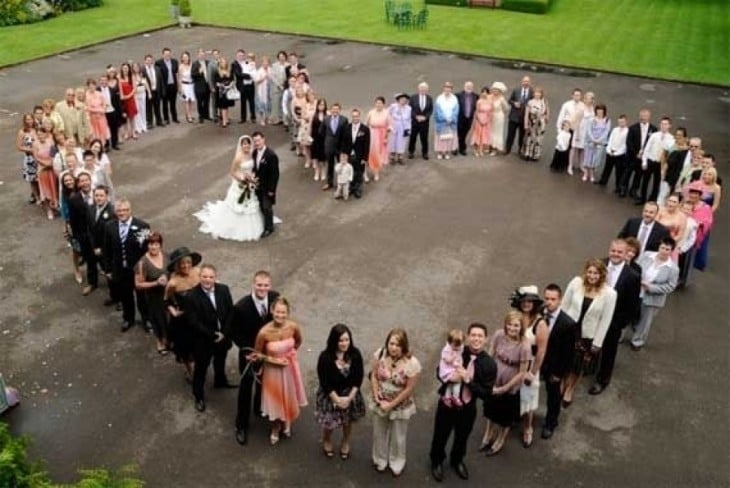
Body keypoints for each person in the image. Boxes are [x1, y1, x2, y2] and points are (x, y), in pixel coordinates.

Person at [429, 323, 496, 482]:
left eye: (480, 336)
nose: (476, 339)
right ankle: (436, 461)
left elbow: (486, 393)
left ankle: (457, 460)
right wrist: (446, 377)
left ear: (485, 339)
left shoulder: (489, 364)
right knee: (440, 435)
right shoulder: (457, 348)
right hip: (446, 404)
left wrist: (468, 380)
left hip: (467, 407)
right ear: (468, 336)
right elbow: (439, 369)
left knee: (462, 437)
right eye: (473, 335)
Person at [230, 270, 279, 446]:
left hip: (268, 353)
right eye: (259, 285)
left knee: (265, 382)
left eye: (266, 285)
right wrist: (247, 351)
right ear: (253, 284)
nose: (262, 288)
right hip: (249, 354)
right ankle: (241, 425)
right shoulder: (241, 306)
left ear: (270, 286)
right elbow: (234, 332)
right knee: (246, 388)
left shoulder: (275, 298)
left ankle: (259, 408)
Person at [560, 259, 617, 407]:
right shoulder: (576, 283)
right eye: (590, 272)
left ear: (602, 275)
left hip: (587, 335)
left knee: (577, 366)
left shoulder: (610, 294)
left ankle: (570, 389)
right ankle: (562, 384)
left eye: (596, 273)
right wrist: (558, 327)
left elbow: (606, 320)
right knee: (564, 360)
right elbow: (564, 306)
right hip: (569, 329)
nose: (592, 276)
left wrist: (597, 343)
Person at [590, 240, 641, 395]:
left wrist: (620, 323)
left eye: (620, 252)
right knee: (589, 343)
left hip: (614, 321)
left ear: (626, 254)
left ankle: (602, 380)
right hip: (593, 315)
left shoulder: (632, 276)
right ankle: (589, 367)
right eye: (613, 251)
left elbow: (632, 304)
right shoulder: (599, 265)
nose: (616, 254)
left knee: (608, 351)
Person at [253, 297, 307, 444]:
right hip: (272, 372)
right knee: (275, 399)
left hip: (290, 368)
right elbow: (256, 354)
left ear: (287, 313)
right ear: (272, 311)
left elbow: (298, 341)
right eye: (277, 312)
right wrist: (274, 360)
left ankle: (287, 420)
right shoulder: (264, 332)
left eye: (283, 312)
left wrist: (291, 355)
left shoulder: (293, 327)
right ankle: (275, 427)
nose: (280, 315)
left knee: (289, 395)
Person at [370, 328, 421, 477]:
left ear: (404, 346)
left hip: (400, 405)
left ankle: (397, 462)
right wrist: (376, 395)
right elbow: (373, 376)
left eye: (398, 345)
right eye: (391, 343)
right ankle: (380, 459)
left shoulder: (412, 363)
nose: (393, 347)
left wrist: (391, 405)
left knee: (398, 436)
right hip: (380, 401)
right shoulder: (379, 354)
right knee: (379, 433)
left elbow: (409, 389)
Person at [194, 135, 265, 241]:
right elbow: (232, 172)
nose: (246, 145)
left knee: (251, 204)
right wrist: (242, 179)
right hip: (240, 183)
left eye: (248, 143)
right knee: (237, 205)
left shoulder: (253, 154)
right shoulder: (238, 157)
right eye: (244, 144)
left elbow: (255, 168)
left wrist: (253, 178)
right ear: (241, 145)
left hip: (251, 182)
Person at [185, 264, 235, 412]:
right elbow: (193, 322)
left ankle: (220, 381)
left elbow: (230, 312)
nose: (208, 280)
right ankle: (198, 396)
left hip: (223, 337)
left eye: (211, 277)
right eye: (204, 276)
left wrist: (224, 333)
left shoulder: (224, 290)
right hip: (203, 340)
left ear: (215, 277)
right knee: (201, 369)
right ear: (199, 277)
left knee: (221, 360)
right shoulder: (191, 296)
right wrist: (213, 334)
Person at [480, 311, 530, 456]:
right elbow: (491, 352)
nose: (512, 328)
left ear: (521, 327)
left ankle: (500, 439)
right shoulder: (499, 335)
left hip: (510, 384)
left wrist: (505, 388)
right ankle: (488, 433)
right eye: (510, 324)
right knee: (490, 408)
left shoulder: (524, 345)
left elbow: (522, 372)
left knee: (504, 415)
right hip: (494, 378)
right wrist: (487, 374)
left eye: (516, 325)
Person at [315, 323, 366, 459]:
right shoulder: (325, 357)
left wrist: (349, 398)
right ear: (334, 341)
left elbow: (358, 377)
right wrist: (336, 399)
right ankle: (326, 439)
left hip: (350, 394)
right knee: (329, 423)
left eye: (347, 340)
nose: (344, 343)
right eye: (341, 340)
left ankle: (345, 441)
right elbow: (324, 381)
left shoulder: (355, 354)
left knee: (347, 422)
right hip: (331, 395)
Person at [103, 198, 150, 332]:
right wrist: (108, 269)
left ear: (130, 210)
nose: (122, 213)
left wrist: (145, 270)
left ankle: (146, 319)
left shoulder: (142, 226)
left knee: (142, 297)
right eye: (119, 210)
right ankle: (128, 319)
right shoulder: (109, 226)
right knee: (125, 296)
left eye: (125, 210)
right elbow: (107, 250)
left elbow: (146, 251)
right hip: (120, 269)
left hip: (137, 270)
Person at [511, 286, 548, 448]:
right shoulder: (516, 317)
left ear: (535, 303)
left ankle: (528, 428)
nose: (526, 304)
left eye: (530, 301)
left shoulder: (540, 323)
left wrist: (532, 373)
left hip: (530, 364)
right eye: (524, 301)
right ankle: (512, 417)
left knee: (528, 396)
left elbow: (541, 351)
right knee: (513, 393)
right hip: (514, 362)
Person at [539, 284, 577, 439]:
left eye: (553, 299)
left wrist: (559, 373)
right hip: (537, 362)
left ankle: (551, 423)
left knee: (553, 396)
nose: (549, 302)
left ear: (560, 300)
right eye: (546, 298)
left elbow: (568, 353)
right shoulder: (540, 314)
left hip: (554, 367)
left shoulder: (568, 324)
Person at [630, 238, 680, 350]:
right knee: (628, 314)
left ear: (671, 251)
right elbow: (635, 267)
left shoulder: (673, 269)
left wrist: (651, 287)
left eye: (667, 249)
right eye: (662, 247)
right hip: (636, 292)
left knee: (645, 321)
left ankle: (637, 341)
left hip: (652, 298)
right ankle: (620, 336)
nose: (664, 251)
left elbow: (671, 286)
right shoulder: (647, 255)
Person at [165, 247, 202, 382]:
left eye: (188, 262)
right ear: (177, 266)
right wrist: (173, 311)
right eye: (182, 264)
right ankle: (189, 370)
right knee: (185, 348)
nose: (186, 266)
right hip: (183, 320)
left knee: (199, 345)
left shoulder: (198, 272)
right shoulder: (173, 282)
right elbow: (166, 301)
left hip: (198, 316)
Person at [134, 231, 169, 353]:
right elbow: (138, 284)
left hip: (168, 293)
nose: (154, 247)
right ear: (146, 245)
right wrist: (156, 283)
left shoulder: (165, 255)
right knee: (158, 320)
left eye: (156, 244)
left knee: (168, 318)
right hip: (154, 297)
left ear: (160, 245)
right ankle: (160, 341)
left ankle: (168, 339)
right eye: (150, 244)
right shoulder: (142, 263)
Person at [66, 172, 97, 295]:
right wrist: (77, 237)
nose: (85, 183)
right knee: (90, 260)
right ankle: (92, 283)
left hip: (100, 234)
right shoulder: (74, 199)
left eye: (86, 180)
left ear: (90, 180)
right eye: (82, 181)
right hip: (85, 235)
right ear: (78, 184)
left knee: (106, 260)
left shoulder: (98, 194)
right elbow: (73, 220)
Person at [637, 116, 675, 205]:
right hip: (651, 160)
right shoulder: (654, 135)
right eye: (662, 124)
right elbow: (647, 148)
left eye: (665, 124)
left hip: (660, 163)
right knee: (645, 181)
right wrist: (644, 161)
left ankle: (652, 199)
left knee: (657, 182)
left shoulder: (671, 139)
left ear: (670, 126)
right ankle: (642, 198)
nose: (663, 126)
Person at [88, 185, 115, 306]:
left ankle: (117, 297)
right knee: (103, 270)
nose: (98, 198)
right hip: (95, 248)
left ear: (107, 197)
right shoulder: (91, 209)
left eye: (101, 195)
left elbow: (113, 235)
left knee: (111, 274)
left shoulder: (112, 212)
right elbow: (90, 229)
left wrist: (102, 249)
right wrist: (94, 247)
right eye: (96, 195)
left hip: (107, 250)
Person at [622, 109, 656, 198]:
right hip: (632, 156)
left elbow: (653, 144)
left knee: (639, 175)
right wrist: (636, 153)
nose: (644, 118)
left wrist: (644, 155)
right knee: (627, 173)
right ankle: (623, 188)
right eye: (642, 116)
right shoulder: (633, 128)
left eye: (646, 116)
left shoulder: (653, 129)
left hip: (644, 157)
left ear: (649, 117)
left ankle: (634, 190)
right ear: (639, 116)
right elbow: (629, 142)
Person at [252, 131, 280, 238]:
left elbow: (275, 174)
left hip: (267, 187)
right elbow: (255, 168)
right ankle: (266, 223)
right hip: (258, 185)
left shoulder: (271, 155)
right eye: (255, 141)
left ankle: (269, 228)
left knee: (267, 206)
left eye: (258, 140)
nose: (257, 143)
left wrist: (272, 190)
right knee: (261, 206)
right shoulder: (255, 153)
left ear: (263, 139)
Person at [684, 181, 714, 272]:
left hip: (696, 235)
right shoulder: (684, 203)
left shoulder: (705, 207)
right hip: (683, 233)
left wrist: (698, 224)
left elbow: (708, 222)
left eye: (696, 193)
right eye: (692, 193)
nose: (693, 195)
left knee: (690, 258)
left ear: (700, 195)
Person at [341, 107, 370, 199]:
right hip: (349, 154)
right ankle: (351, 188)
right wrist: (344, 155)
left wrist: (365, 158)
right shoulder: (347, 127)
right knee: (349, 172)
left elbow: (367, 145)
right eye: (353, 117)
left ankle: (358, 189)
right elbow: (344, 142)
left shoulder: (365, 129)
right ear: (351, 117)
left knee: (359, 173)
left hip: (359, 155)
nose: (355, 118)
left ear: (359, 117)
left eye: (357, 116)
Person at [556, 88, 585, 175]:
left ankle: (569, 164)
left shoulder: (582, 106)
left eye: (579, 95)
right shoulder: (567, 104)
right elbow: (561, 116)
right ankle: (560, 164)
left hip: (576, 130)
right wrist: (559, 129)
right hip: (566, 129)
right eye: (575, 95)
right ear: (572, 95)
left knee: (572, 148)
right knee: (563, 147)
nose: (577, 97)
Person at [597, 114, 628, 191]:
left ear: (626, 122)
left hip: (619, 155)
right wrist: (608, 149)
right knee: (607, 168)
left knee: (619, 171)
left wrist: (617, 153)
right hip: (610, 152)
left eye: (623, 122)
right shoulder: (615, 129)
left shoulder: (627, 132)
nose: (621, 123)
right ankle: (603, 181)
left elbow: (624, 145)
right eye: (620, 122)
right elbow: (610, 140)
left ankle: (618, 186)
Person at [321, 102, 347, 190]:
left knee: (341, 165)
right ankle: (329, 183)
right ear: (331, 110)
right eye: (333, 109)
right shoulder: (326, 119)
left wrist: (344, 147)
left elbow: (346, 134)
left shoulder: (344, 120)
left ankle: (342, 183)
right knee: (330, 165)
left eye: (337, 109)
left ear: (340, 110)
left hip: (340, 147)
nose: (335, 111)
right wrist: (328, 140)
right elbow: (321, 131)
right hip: (329, 146)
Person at [33, 128, 58, 219]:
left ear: (45, 134)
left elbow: (54, 154)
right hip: (42, 168)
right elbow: (36, 157)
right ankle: (48, 210)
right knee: (44, 189)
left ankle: (55, 205)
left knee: (54, 187)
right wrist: (45, 164)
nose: (40, 136)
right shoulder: (35, 144)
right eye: (38, 135)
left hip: (52, 167)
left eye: (42, 134)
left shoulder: (50, 141)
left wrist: (51, 163)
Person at [581, 103, 610, 182]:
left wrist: (599, 140)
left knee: (595, 159)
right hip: (590, 142)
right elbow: (589, 130)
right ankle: (586, 173)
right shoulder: (591, 119)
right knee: (587, 157)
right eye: (598, 111)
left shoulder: (607, 120)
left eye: (601, 111)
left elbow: (606, 131)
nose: (599, 113)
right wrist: (593, 139)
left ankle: (592, 174)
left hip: (600, 143)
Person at [15, 113, 40, 205]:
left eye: (31, 119)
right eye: (27, 119)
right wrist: (31, 150)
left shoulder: (37, 129)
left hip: (39, 157)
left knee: (39, 177)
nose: (29, 121)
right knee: (32, 179)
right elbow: (18, 146)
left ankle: (41, 194)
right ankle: (37, 197)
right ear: (24, 121)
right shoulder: (22, 132)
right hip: (29, 158)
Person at [365, 96, 391, 182]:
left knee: (379, 155)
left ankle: (376, 173)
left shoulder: (386, 113)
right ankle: (365, 172)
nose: (378, 105)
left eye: (380, 103)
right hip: (372, 135)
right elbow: (366, 124)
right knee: (370, 154)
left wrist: (386, 137)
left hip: (382, 136)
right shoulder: (371, 112)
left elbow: (389, 126)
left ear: (383, 104)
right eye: (377, 103)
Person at [506, 76, 534, 155]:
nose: (526, 83)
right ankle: (507, 149)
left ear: (529, 82)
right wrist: (514, 103)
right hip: (513, 116)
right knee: (510, 134)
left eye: (527, 81)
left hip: (524, 118)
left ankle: (520, 150)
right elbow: (509, 100)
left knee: (522, 135)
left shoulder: (532, 92)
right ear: (522, 82)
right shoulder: (516, 90)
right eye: (524, 81)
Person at [656, 194, 688, 260]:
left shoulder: (682, 217)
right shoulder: (660, 211)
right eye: (670, 201)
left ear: (679, 204)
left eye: (674, 202)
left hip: (671, 243)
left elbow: (680, 235)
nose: (671, 203)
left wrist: (669, 243)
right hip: (657, 240)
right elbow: (655, 225)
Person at [438, 329, 465, 408]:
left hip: (454, 368)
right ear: (450, 343)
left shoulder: (460, 346)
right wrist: (452, 356)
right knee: (457, 382)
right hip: (447, 369)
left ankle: (447, 397)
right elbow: (447, 360)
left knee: (451, 384)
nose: (457, 348)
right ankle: (455, 397)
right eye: (455, 346)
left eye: (459, 346)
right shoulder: (446, 349)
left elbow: (461, 348)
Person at [520, 86, 548, 161]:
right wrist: (526, 124)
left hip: (540, 123)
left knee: (538, 139)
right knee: (529, 138)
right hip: (531, 122)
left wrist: (544, 118)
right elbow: (526, 114)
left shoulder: (544, 102)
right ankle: (527, 153)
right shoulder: (530, 102)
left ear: (541, 94)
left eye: (539, 93)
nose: (537, 94)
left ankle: (535, 155)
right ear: (534, 94)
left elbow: (547, 113)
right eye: (536, 92)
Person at [434, 82, 459, 160]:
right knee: (440, 138)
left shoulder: (454, 98)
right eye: (446, 87)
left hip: (451, 121)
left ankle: (447, 152)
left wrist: (451, 119)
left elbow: (456, 110)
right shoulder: (439, 98)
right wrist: (444, 119)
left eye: (449, 88)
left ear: (451, 89)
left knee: (449, 138)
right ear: (443, 88)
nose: (447, 89)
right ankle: (440, 152)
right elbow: (437, 110)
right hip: (442, 121)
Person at [408, 82, 432, 160]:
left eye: (425, 89)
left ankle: (425, 153)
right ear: (418, 89)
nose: (423, 90)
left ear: (427, 89)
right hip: (414, 122)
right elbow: (409, 109)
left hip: (425, 122)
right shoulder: (413, 97)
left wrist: (425, 117)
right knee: (413, 137)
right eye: (421, 88)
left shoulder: (429, 98)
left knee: (424, 138)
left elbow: (431, 110)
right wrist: (415, 116)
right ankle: (411, 152)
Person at [155, 47, 179, 124]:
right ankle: (166, 119)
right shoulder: (158, 63)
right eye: (166, 54)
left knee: (173, 103)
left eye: (169, 54)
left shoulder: (174, 62)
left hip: (173, 85)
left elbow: (176, 73)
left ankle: (174, 118)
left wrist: (178, 85)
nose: (167, 55)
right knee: (165, 103)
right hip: (164, 87)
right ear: (163, 55)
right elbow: (158, 76)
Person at [387, 93, 412, 165]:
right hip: (394, 126)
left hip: (404, 127)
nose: (404, 101)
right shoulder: (393, 106)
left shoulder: (409, 108)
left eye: (405, 100)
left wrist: (409, 129)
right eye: (402, 99)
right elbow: (387, 114)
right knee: (392, 141)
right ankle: (392, 157)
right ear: (398, 100)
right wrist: (389, 125)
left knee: (401, 142)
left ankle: (400, 157)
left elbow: (410, 119)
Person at [469, 87, 492, 157]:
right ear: (481, 93)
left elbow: (490, 112)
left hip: (486, 121)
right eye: (483, 92)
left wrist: (487, 120)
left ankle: (481, 150)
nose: (484, 94)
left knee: (484, 136)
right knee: (478, 136)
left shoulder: (490, 102)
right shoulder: (479, 101)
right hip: (479, 120)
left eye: (486, 92)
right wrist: (480, 120)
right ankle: (476, 150)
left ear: (488, 93)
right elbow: (476, 112)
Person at [456, 81, 477, 156]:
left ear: (472, 87)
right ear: (464, 87)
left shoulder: (475, 96)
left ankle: (461, 146)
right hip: (460, 118)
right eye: (467, 86)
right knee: (458, 133)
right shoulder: (458, 95)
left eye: (470, 86)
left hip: (469, 119)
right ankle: (460, 148)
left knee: (464, 134)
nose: (469, 88)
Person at [143, 54, 164, 128]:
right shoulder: (143, 70)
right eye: (147, 60)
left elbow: (161, 81)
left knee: (157, 107)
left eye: (150, 60)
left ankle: (159, 121)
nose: (149, 62)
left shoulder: (157, 68)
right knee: (149, 108)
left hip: (156, 91)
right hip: (148, 92)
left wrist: (162, 91)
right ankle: (150, 122)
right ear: (145, 61)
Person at [118, 62, 138, 140]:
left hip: (130, 99)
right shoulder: (119, 77)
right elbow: (119, 88)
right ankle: (126, 132)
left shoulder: (131, 77)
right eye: (124, 68)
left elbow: (134, 89)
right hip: (123, 100)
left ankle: (133, 132)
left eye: (127, 68)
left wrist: (128, 96)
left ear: (129, 69)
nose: (125, 70)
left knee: (132, 117)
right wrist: (123, 96)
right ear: (122, 69)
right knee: (125, 117)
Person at [488, 82, 509, 155]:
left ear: (500, 91)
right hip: (490, 116)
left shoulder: (502, 99)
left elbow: (506, 108)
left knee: (497, 133)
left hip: (499, 117)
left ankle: (495, 149)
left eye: (496, 90)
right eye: (493, 89)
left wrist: (500, 113)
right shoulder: (489, 96)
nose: (494, 91)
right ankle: (489, 146)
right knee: (490, 131)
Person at [310, 98, 328, 182]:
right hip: (315, 139)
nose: (321, 106)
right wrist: (310, 137)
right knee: (315, 156)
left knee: (323, 157)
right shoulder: (314, 115)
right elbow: (311, 127)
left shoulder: (327, 115)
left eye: (323, 105)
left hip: (324, 139)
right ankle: (317, 171)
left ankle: (323, 171)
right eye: (320, 104)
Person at [191, 48, 211, 124]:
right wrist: (199, 72)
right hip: (199, 86)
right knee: (200, 102)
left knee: (207, 101)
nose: (202, 56)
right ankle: (201, 116)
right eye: (200, 55)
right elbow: (192, 75)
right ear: (198, 55)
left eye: (203, 55)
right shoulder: (195, 64)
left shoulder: (208, 63)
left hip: (207, 85)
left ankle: (206, 115)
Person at [214, 57, 235, 127]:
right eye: (222, 62)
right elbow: (216, 82)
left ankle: (227, 118)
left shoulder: (229, 70)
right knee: (223, 106)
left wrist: (229, 86)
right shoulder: (218, 71)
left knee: (227, 105)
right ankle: (224, 121)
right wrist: (222, 86)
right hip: (221, 91)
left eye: (224, 62)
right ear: (220, 63)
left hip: (228, 91)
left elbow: (232, 80)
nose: (223, 63)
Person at [255, 55, 274, 124]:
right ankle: (262, 119)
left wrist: (269, 76)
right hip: (261, 90)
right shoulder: (259, 71)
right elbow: (256, 81)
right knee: (261, 104)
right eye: (264, 63)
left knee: (269, 104)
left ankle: (267, 118)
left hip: (269, 88)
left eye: (267, 63)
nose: (265, 64)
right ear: (262, 63)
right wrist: (263, 78)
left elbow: (273, 78)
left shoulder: (270, 69)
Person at [178, 51, 196, 123]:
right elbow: (179, 78)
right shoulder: (181, 66)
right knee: (186, 101)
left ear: (189, 57)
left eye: (186, 57)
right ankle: (188, 116)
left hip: (191, 85)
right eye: (184, 57)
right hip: (185, 85)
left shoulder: (192, 65)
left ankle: (190, 114)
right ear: (182, 58)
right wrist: (180, 88)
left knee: (191, 101)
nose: (185, 58)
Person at [131, 62, 149, 135]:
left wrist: (149, 92)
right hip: (136, 95)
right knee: (137, 111)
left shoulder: (142, 75)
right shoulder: (132, 76)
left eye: (137, 67)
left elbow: (146, 83)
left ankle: (144, 126)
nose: (136, 68)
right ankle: (138, 127)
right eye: (134, 67)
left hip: (143, 94)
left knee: (143, 110)